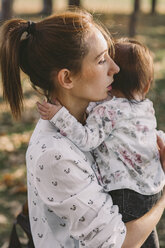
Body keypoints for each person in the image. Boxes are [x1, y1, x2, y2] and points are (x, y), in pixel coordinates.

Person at [0, 10, 165, 248]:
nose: (115, 68)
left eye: (110, 55)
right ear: (67, 79)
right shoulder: (55, 153)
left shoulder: (96, 116)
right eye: (101, 60)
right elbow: (121, 243)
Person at [37, 38, 165, 247]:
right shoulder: (145, 107)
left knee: (133, 239)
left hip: (127, 192)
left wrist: (60, 116)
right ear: (148, 83)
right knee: (147, 238)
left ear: (112, 80)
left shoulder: (109, 110)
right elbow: (150, 135)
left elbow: (87, 139)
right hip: (153, 187)